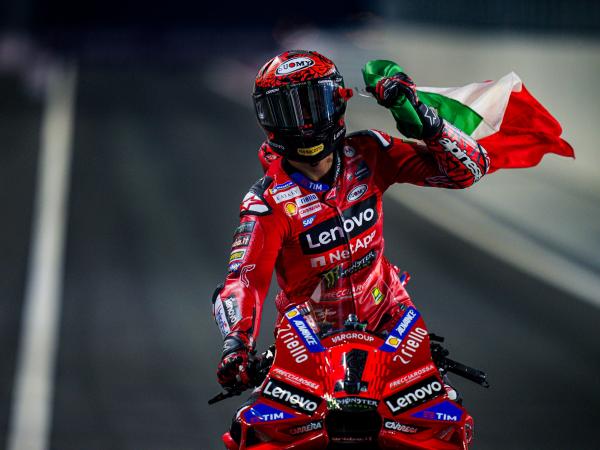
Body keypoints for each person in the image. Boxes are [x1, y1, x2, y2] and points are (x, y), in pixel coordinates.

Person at [212, 50, 489, 391]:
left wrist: (420, 114)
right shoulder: (266, 203)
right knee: (257, 423)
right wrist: (236, 347)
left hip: (393, 324)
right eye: (290, 111)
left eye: (315, 104)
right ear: (267, 118)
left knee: (444, 415)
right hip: (308, 347)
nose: (306, 123)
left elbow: (468, 170)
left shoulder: (371, 151)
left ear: (338, 100)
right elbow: (244, 281)